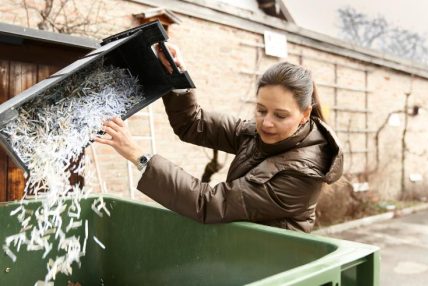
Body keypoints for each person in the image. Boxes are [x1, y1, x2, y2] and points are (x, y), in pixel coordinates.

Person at [94, 44, 343, 232]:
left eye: (280, 115)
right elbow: (193, 124)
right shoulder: (255, 134)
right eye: (261, 110)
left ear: (305, 114)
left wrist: (140, 157)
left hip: (276, 268)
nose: (266, 122)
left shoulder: (302, 175)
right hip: (243, 255)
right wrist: (176, 75)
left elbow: (209, 203)